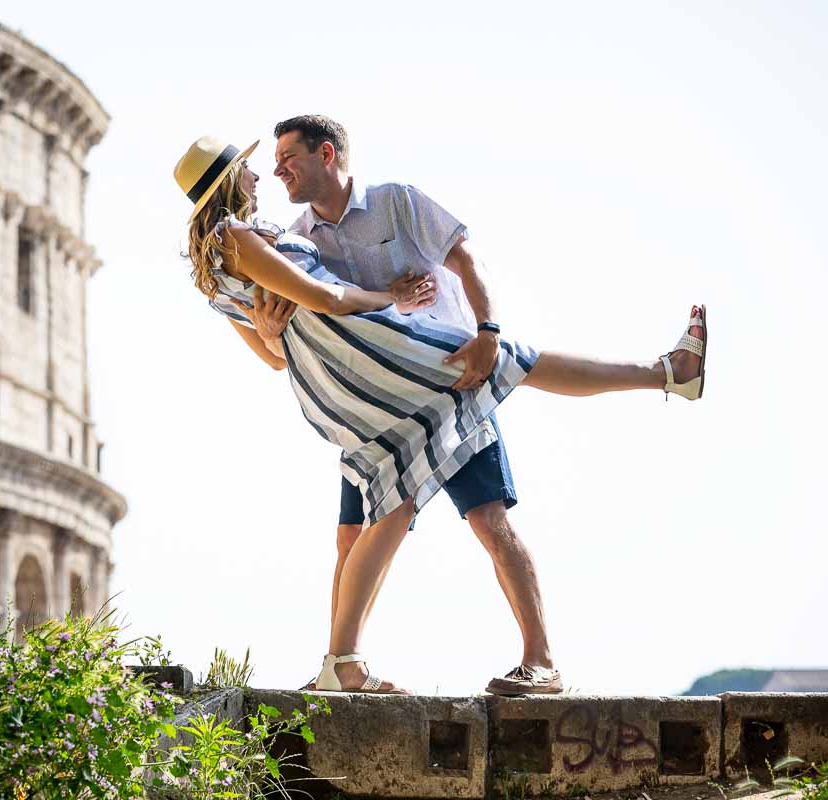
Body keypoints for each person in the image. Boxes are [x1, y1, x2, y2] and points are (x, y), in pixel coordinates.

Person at [173, 134, 707, 695]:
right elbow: (324, 303)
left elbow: (275, 355)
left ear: (326, 154)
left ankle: (343, 662)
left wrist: (274, 329)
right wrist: (389, 298)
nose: (265, 175)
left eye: (282, 160)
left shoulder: (217, 267)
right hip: (382, 363)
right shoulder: (243, 237)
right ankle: (666, 372)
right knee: (514, 364)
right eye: (253, 169)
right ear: (230, 181)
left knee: (392, 508)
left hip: (340, 387)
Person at [249, 115, 556, 696]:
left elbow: (467, 260)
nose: (277, 169)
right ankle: (338, 667)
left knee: (491, 524)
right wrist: (269, 336)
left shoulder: (398, 202)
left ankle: (541, 662)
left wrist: (489, 329)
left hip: (448, 391)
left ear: (327, 153)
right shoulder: (295, 242)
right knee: (348, 537)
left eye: (288, 155)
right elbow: (290, 349)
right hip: (372, 419)